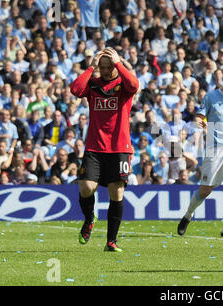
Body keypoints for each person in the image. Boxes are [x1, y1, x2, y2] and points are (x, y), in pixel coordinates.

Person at [70, 47, 140, 252]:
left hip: (119, 147)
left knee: (115, 192)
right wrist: (91, 67)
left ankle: (111, 241)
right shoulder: (93, 84)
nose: (108, 71)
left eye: (110, 67)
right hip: (95, 146)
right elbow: (75, 90)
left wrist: (119, 63)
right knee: (86, 188)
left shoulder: (124, 85)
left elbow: (135, 85)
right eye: (104, 67)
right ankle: (90, 218)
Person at [177, 67, 223, 237]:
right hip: (216, 148)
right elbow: (199, 117)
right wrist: (201, 124)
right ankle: (188, 215)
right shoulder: (211, 97)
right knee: (206, 189)